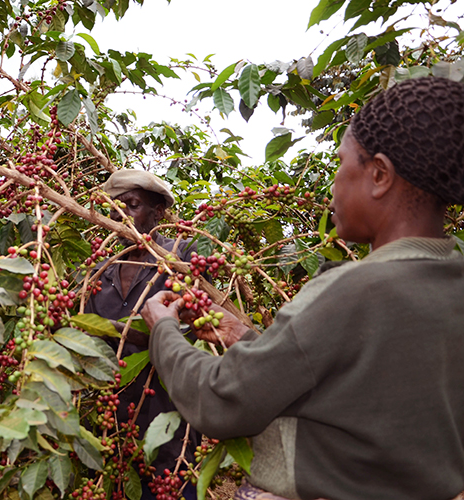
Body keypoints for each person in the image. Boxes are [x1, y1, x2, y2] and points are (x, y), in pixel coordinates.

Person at [141, 77, 464, 500]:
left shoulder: (351, 290)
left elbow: (221, 401)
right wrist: (249, 339)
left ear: (380, 175)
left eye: (341, 164)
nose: (333, 185)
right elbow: (358, 385)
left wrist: (163, 330)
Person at [86, 169, 200, 499]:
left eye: (132, 206)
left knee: (171, 488)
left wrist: (126, 332)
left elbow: (195, 328)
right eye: (114, 210)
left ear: (157, 212)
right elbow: (88, 335)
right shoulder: (101, 270)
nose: (121, 217)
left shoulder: (181, 258)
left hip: (168, 414)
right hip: (113, 417)